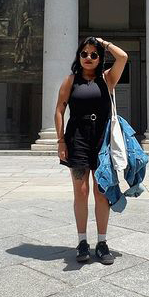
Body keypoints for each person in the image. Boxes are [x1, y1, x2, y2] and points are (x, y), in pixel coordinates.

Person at [54, 35, 128, 265]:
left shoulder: (107, 79)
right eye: (84, 53)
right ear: (78, 56)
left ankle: (102, 242)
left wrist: (102, 42)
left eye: (93, 54)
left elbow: (123, 57)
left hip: (101, 140)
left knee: (101, 191)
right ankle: (82, 241)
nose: (88, 57)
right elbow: (59, 110)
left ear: (99, 58)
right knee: (81, 191)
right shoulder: (70, 81)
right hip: (77, 139)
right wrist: (60, 141)